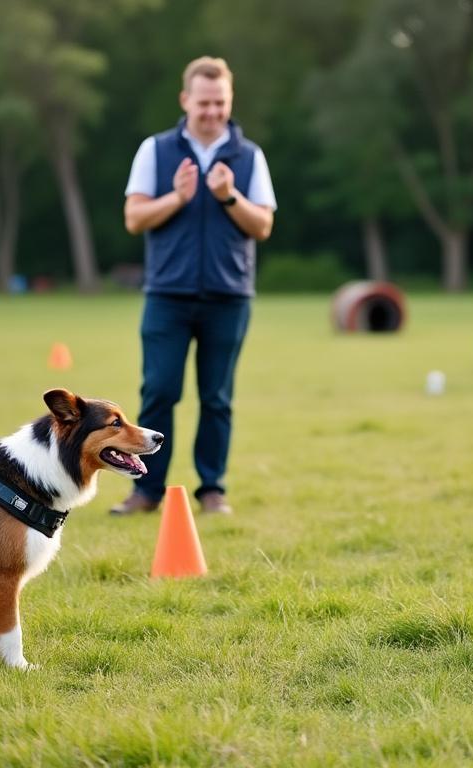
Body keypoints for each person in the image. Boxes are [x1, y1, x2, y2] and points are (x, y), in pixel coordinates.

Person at [111, 56, 276, 516]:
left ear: (230, 100)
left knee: (217, 398)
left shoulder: (249, 157)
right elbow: (134, 217)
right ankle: (146, 490)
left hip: (230, 296)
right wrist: (178, 197)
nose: (212, 112)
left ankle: (213, 490)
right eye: (204, 102)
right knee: (159, 391)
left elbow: (262, 225)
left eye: (220, 102)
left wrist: (228, 196)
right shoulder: (156, 150)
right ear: (186, 100)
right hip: (167, 294)